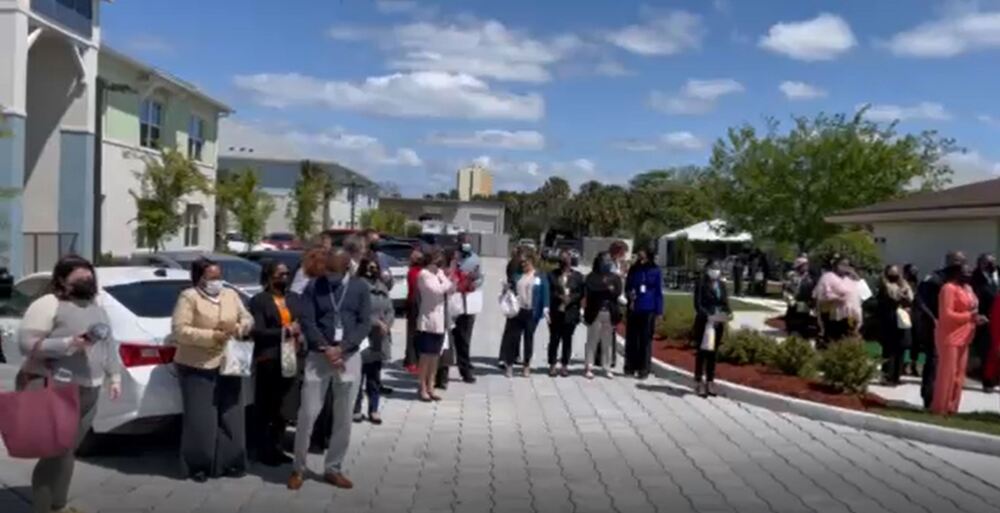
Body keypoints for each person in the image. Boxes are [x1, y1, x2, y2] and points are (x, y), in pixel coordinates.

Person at [17, 255, 123, 513]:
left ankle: (59, 505)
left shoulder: (96, 306)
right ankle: (43, 507)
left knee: (68, 450)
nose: (87, 281)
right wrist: (67, 344)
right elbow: (27, 345)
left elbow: (109, 345)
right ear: (63, 281)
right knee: (55, 451)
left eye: (90, 277)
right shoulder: (48, 304)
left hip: (91, 388)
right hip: (57, 386)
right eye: (80, 278)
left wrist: (114, 376)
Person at [289, 248, 372, 491]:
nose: (329, 275)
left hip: (349, 357)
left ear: (347, 268)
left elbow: (364, 322)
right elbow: (308, 320)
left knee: (344, 415)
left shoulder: (359, 288)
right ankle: (298, 468)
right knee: (307, 413)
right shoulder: (315, 286)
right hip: (319, 355)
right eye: (327, 270)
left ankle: (333, 468)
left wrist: (343, 348)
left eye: (334, 271)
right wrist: (326, 348)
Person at [172, 258, 254, 482]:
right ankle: (198, 465)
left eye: (219, 277)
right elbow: (180, 330)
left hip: (230, 360)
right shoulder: (189, 297)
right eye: (211, 277)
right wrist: (212, 336)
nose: (216, 281)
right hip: (198, 364)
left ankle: (231, 461)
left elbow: (247, 318)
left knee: (232, 413)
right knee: (201, 418)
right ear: (199, 278)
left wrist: (238, 327)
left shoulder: (230, 295)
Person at [248, 260, 299, 466]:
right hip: (269, 358)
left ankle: (277, 446)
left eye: (287, 274)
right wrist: (285, 331)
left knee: (283, 407)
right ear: (269, 277)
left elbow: (302, 319)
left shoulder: (294, 298)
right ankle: (262, 449)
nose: (284, 278)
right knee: (266, 406)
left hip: (291, 357)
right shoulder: (260, 300)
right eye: (280, 274)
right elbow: (258, 331)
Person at [931, 263, 987, 415]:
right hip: (950, 335)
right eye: (965, 272)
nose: (968, 274)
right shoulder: (948, 289)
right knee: (948, 373)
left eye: (970, 272)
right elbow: (947, 314)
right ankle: (940, 407)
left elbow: (972, 307)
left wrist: (976, 318)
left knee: (959, 374)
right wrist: (970, 317)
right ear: (956, 273)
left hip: (966, 334)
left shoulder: (968, 289)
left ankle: (953, 407)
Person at [919, 251, 966, 409]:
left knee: (948, 365)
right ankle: (929, 398)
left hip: (952, 330)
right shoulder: (934, 279)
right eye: (957, 261)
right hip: (934, 325)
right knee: (934, 361)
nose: (960, 264)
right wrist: (933, 319)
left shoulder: (958, 282)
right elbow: (920, 301)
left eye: (962, 261)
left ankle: (946, 400)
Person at [438, 235, 484, 386]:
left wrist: (473, 282)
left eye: (468, 243)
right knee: (446, 342)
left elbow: (480, 279)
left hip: (467, 304)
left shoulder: (475, 259)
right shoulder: (448, 259)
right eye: (463, 243)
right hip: (450, 304)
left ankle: (465, 370)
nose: (465, 246)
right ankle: (442, 376)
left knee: (464, 340)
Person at [353, 258, 394, 424]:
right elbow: (356, 312)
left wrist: (387, 324)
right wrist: (374, 322)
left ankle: (374, 409)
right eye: (369, 267)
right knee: (358, 375)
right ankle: (356, 409)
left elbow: (390, 309)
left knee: (374, 376)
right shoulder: (357, 287)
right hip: (363, 338)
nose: (372, 270)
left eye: (375, 267)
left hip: (380, 338)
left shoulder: (382, 287)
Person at [500, 252, 550, 378]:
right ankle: (509, 365)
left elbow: (545, 292)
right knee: (513, 338)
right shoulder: (517, 276)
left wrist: (546, 307)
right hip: (518, 311)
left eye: (526, 263)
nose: (523, 265)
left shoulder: (540, 277)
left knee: (529, 339)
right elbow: (510, 289)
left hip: (531, 312)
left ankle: (526, 365)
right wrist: (506, 288)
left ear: (532, 263)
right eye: (522, 263)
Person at [415, 248, 455, 400]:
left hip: (441, 320)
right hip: (428, 320)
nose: (440, 263)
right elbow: (437, 290)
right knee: (425, 356)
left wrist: (448, 279)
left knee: (435, 356)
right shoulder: (424, 275)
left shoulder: (438, 273)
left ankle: (431, 386)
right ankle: (422, 387)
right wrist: (448, 280)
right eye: (437, 259)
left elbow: (450, 288)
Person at [692, 260, 732, 397]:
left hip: (718, 322)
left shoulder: (721, 285)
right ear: (707, 269)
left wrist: (728, 313)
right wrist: (708, 315)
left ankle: (710, 381)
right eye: (713, 268)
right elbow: (697, 304)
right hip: (705, 322)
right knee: (702, 352)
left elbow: (725, 302)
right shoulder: (701, 284)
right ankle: (699, 381)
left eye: (717, 268)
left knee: (713, 353)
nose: (715, 270)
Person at [624, 247, 663, 379]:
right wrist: (629, 294)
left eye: (642, 252)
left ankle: (644, 368)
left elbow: (658, 291)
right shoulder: (634, 269)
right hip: (634, 306)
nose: (640, 254)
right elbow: (628, 286)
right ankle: (630, 366)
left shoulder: (655, 270)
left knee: (645, 339)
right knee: (632, 338)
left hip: (648, 307)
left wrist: (659, 311)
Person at [583, 252, 622, 380]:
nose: (608, 262)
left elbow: (617, 292)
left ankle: (607, 367)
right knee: (592, 340)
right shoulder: (592, 276)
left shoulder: (615, 277)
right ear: (599, 261)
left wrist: (607, 289)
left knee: (608, 342)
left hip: (609, 312)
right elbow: (593, 289)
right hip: (595, 312)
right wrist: (607, 287)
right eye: (605, 260)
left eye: (610, 260)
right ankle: (589, 366)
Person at [547, 250, 585, 377]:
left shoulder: (578, 276)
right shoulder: (552, 275)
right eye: (563, 261)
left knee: (567, 340)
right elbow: (550, 291)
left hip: (571, 313)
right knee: (554, 339)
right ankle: (552, 365)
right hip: (556, 312)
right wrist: (560, 297)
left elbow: (581, 293)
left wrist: (571, 299)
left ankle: (564, 365)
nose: (565, 263)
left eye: (567, 261)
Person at [876, 265, 914, 386]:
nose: (895, 276)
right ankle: (887, 376)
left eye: (897, 273)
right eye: (892, 273)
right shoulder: (884, 286)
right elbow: (894, 297)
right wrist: (901, 295)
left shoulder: (903, 284)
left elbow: (910, 298)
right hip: (889, 320)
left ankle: (897, 376)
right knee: (889, 349)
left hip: (901, 321)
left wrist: (904, 291)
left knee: (900, 348)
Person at [814, 256, 857, 346]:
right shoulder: (828, 277)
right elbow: (823, 294)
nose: (845, 267)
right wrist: (837, 298)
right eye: (843, 264)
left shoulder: (849, 279)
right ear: (836, 265)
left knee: (846, 337)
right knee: (832, 338)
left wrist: (856, 276)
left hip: (848, 314)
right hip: (832, 313)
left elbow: (861, 294)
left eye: (847, 265)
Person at [971, 253, 998, 388]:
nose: (992, 265)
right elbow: (973, 299)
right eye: (989, 262)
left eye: (994, 262)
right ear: (981, 263)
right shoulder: (974, 279)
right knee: (987, 351)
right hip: (986, 320)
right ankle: (987, 382)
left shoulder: (997, 274)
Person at [498, 248, 526, 367]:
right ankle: (504, 357)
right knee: (511, 329)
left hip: (519, 299)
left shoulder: (517, 264)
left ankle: (514, 354)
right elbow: (513, 281)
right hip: (514, 299)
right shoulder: (515, 265)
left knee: (517, 330)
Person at [783, 257, 815, 337]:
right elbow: (786, 291)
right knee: (793, 326)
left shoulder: (809, 277)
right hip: (794, 305)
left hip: (805, 305)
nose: (806, 267)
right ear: (799, 266)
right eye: (804, 265)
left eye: (807, 265)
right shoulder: (792, 276)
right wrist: (792, 302)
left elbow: (812, 290)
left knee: (803, 326)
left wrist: (812, 302)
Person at [403, 248, 424, 374]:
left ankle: (410, 359)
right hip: (415, 304)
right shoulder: (416, 272)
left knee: (413, 333)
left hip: (414, 303)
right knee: (413, 334)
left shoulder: (413, 271)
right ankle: (411, 361)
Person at [903, 263, 926, 377]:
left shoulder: (918, 285)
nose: (914, 273)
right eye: (912, 271)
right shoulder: (902, 284)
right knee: (905, 340)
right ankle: (903, 363)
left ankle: (913, 364)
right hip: (905, 314)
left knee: (916, 341)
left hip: (916, 315)